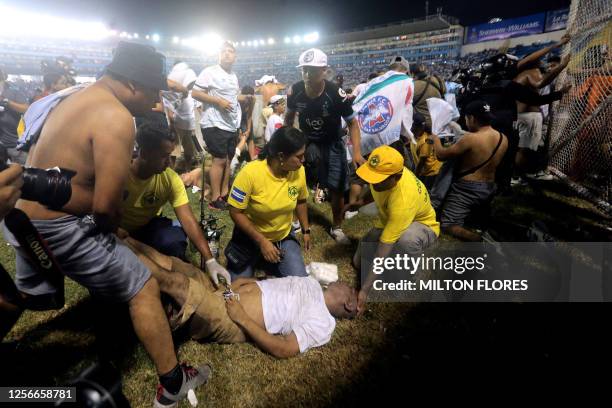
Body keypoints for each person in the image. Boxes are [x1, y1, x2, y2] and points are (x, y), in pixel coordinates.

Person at [0, 42, 210, 407]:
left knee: (27, 296)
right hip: (60, 224)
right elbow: (104, 210)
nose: (156, 98)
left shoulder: (76, 97)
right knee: (142, 287)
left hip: (23, 217)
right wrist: (117, 233)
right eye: (153, 89)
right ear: (131, 84)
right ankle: (172, 382)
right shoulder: (115, 116)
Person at [123, 238, 358, 358]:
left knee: (172, 281)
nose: (343, 281)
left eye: (348, 287)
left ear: (348, 302)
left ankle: (114, 252)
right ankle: (122, 238)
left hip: (229, 319)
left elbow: (284, 349)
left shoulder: (324, 324)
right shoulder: (311, 284)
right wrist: (243, 283)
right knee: (171, 263)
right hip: (225, 294)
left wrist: (242, 318)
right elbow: (270, 283)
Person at [119, 122, 231, 285]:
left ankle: (174, 283)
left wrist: (209, 261)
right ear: (144, 153)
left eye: (171, 156)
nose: (169, 163)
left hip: (148, 227)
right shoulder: (120, 175)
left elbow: (188, 219)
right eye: (163, 157)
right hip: (116, 232)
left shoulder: (170, 178)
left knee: (174, 239)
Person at [285, 48, 364, 245]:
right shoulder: (295, 91)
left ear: (324, 71)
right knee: (296, 182)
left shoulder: (336, 94)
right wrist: (288, 143)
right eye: (304, 69)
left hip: (332, 143)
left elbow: (353, 123)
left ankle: (336, 226)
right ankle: (295, 221)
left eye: (312, 70)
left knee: (337, 187)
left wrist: (356, 152)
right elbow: (288, 119)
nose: (306, 74)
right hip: (307, 142)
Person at [348, 145, 439, 313]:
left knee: (406, 240)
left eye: (377, 179)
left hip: (424, 225)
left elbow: (382, 251)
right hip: (393, 219)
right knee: (357, 262)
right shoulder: (384, 178)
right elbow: (372, 189)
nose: (372, 182)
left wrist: (365, 290)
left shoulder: (403, 200)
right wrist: (358, 203)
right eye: (371, 176)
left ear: (396, 178)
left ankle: (411, 274)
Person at [225, 126, 311, 280]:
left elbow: (301, 200)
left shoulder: (299, 171)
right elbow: (235, 211)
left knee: (300, 283)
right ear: (281, 156)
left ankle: (269, 260)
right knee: (238, 291)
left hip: (282, 238)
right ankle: (260, 258)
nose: (303, 160)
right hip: (248, 239)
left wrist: (306, 230)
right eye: (299, 156)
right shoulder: (250, 173)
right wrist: (262, 241)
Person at [432, 100, 509, 241]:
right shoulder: (502, 138)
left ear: (472, 118)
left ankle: (480, 240)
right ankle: (477, 220)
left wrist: (435, 137)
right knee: (475, 217)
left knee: (448, 225)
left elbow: (441, 155)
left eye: (466, 118)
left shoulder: (471, 139)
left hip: (466, 189)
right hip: (489, 187)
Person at [192, 42, 249, 210]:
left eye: (230, 52)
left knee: (228, 160)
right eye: (224, 51)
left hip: (230, 124)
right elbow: (195, 93)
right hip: (214, 123)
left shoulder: (233, 76)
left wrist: (244, 98)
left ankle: (224, 194)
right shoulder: (210, 72)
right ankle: (215, 198)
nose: (227, 54)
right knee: (219, 160)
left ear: (235, 56)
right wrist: (218, 101)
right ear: (219, 55)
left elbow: (231, 98)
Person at [513, 51, 569, 181]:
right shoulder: (532, 72)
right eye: (538, 59)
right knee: (525, 150)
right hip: (529, 117)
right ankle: (518, 177)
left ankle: (518, 175)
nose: (541, 61)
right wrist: (562, 66)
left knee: (521, 149)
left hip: (520, 115)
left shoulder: (520, 75)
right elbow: (540, 84)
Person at [162, 62, 199, 173]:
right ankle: (171, 172)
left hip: (188, 123)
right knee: (174, 149)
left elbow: (196, 105)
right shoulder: (175, 90)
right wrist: (171, 120)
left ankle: (186, 169)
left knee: (188, 150)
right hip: (177, 122)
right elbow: (168, 104)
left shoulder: (192, 90)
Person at [0, 68, 29, 164]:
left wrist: (7, 102)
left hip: (15, 144)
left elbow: (26, 108)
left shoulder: (14, 90)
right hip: (2, 144)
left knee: (26, 171)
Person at [411, 63, 447, 128]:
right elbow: (444, 92)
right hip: (440, 121)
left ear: (412, 74)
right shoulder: (438, 80)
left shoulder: (413, 86)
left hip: (424, 125)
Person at [413, 111, 441, 190]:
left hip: (431, 172)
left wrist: (415, 175)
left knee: (427, 191)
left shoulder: (425, 141)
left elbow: (422, 162)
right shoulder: (420, 134)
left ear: (415, 126)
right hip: (429, 170)